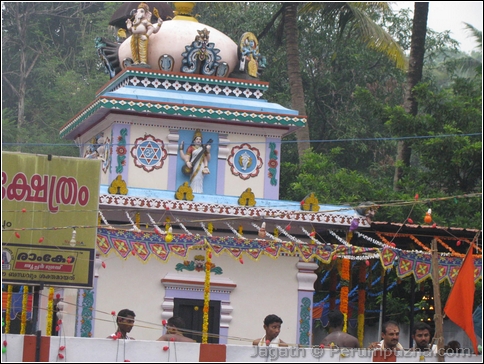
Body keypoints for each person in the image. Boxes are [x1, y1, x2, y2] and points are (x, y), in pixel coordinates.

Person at [179, 129, 211, 193]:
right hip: (193, 165)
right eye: (197, 139)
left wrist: (208, 151)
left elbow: (207, 159)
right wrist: (187, 162)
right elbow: (186, 157)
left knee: (199, 179)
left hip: (200, 166)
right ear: (194, 140)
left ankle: (199, 191)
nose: (198, 141)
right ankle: (192, 191)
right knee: (194, 178)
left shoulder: (203, 149)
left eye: (200, 139)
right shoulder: (191, 148)